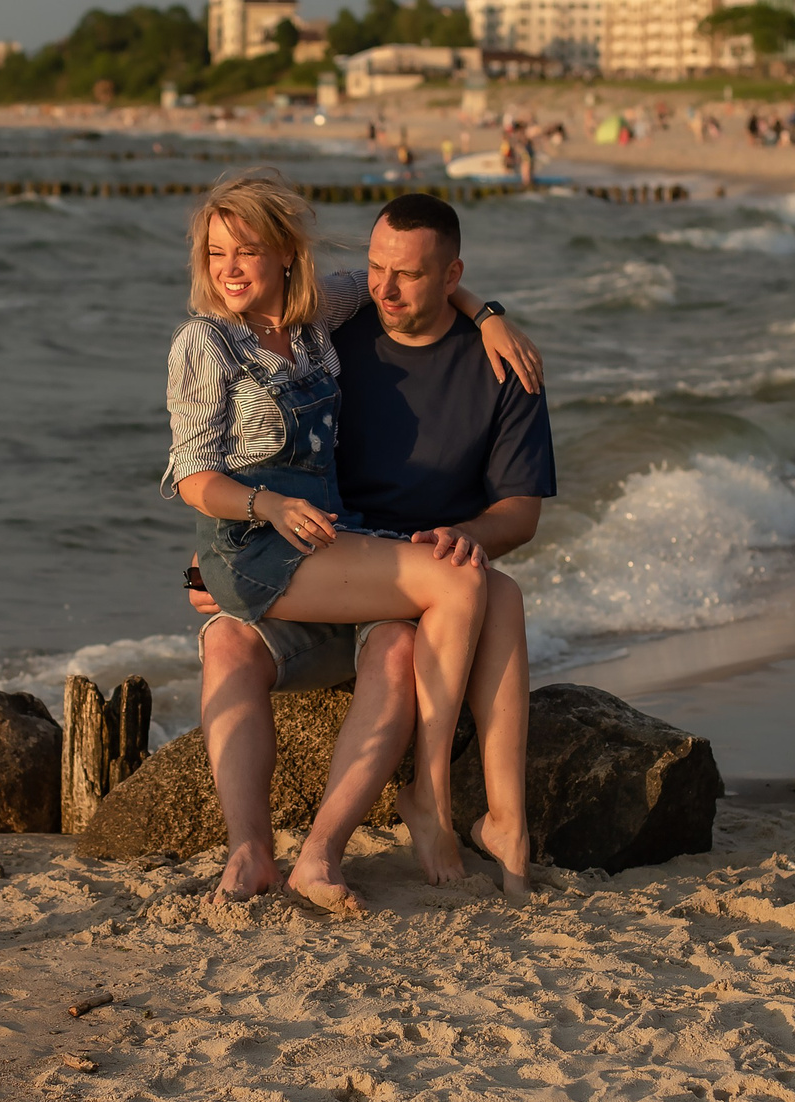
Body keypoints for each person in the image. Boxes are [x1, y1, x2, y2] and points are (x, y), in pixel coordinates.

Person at [165, 175, 539, 912]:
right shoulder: (205, 342)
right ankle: (308, 834)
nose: (231, 268)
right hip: (262, 543)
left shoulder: (318, 316)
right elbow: (193, 475)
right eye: (216, 255)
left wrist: (488, 314)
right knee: (459, 582)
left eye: (246, 251)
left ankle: (318, 857)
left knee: (445, 612)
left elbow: (401, 279)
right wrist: (263, 504)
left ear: (284, 255)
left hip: (328, 548)